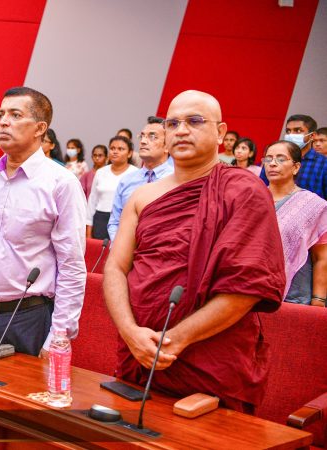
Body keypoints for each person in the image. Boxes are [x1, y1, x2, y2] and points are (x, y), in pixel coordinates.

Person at [104, 90, 285, 413]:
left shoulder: (244, 191)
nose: (182, 130)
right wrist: (130, 333)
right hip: (140, 353)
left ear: (221, 132)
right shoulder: (142, 196)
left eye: (195, 121)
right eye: (172, 123)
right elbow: (115, 268)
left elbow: (246, 288)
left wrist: (175, 339)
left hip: (209, 359)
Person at [0, 87, 86, 357]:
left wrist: (58, 336)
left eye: (15, 115)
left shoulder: (60, 184)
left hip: (27, 318)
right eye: (1, 115)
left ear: (40, 128)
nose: (3, 122)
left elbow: (71, 267)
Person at [264, 140, 327, 306]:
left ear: (296, 167)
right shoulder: (251, 199)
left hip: (294, 297)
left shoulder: (313, 205)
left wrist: (319, 300)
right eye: (268, 159)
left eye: (281, 159)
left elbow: (321, 257)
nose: (272, 163)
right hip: (248, 293)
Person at [107, 116, 174, 242]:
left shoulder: (177, 180)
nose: (143, 141)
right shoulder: (127, 180)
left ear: (167, 146)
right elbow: (114, 222)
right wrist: (119, 247)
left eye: (152, 136)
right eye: (142, 136)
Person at [260, 114, 327, 200]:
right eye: (288, 131)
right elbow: (261, 189)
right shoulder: (272, 160)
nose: (291, 134)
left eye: (298, 130)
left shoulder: (323, 164)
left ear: (312, 136)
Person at [86, 136, 137, 239]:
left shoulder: (136, 173)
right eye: (112, 148)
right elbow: (92, 201)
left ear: (130, 153)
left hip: (125, 220)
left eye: (120, 149)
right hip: (101, 219)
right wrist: (88, 230)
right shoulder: (100, 172)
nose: (115, 152)